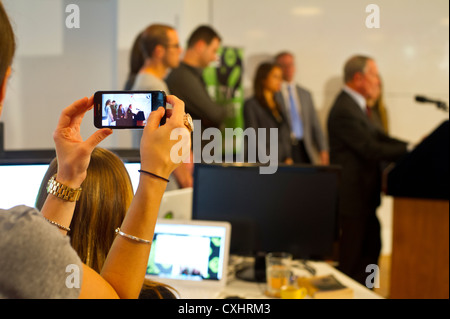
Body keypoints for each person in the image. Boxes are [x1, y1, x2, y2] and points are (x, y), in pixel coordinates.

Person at [0, 1, 191, 298]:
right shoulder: (11, 238)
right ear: (3, 87)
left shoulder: (17, 240)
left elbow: (41, 272)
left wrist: (68, 177)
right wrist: (155, 175)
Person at [35, 147, 177, 299]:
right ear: (126, 213)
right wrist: (155, 175)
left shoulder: (20, 285)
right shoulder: (158, 296)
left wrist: (65, 182)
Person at [327, 55, 408, 285]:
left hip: (366, 197)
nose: (377, 80)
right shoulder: (344, 108)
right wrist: (409, 149)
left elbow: (380, 138)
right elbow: (370, 148)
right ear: (358, 78)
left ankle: (367, 291)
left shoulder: (360, 106)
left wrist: (411, 146)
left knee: (371, 252)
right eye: (373, 74)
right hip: (353, 199)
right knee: (352, 260)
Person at [129, 24, 191, 189]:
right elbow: (167, 140)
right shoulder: (153, 86)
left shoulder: (147, 81)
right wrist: (186, 181)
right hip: (161, 178)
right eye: (176, 45)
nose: (180, 50)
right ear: (159, 51)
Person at [166, 25, 226, 130]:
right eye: (214, 51)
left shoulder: (191, 75)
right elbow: (215, 114)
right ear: (200, 46)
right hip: (192, 145)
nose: (214, 57)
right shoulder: (182, 77)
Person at [274, 51, 329, 165]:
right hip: (284, 150)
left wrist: (323, 149)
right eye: (283, 66)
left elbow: (315, 123)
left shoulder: (305, 94)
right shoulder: (273, 94)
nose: (288, 69)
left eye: (291, 65)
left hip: (304, 146)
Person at [243, 62, 293, 164]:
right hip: (262, 163)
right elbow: (253, 137)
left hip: (282, 162)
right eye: (275, 77)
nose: (279, 81)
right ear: (263, 79)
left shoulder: (279, 105)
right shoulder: (251, 105)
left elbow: (285, 134)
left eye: (280, 77)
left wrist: (287, 156)